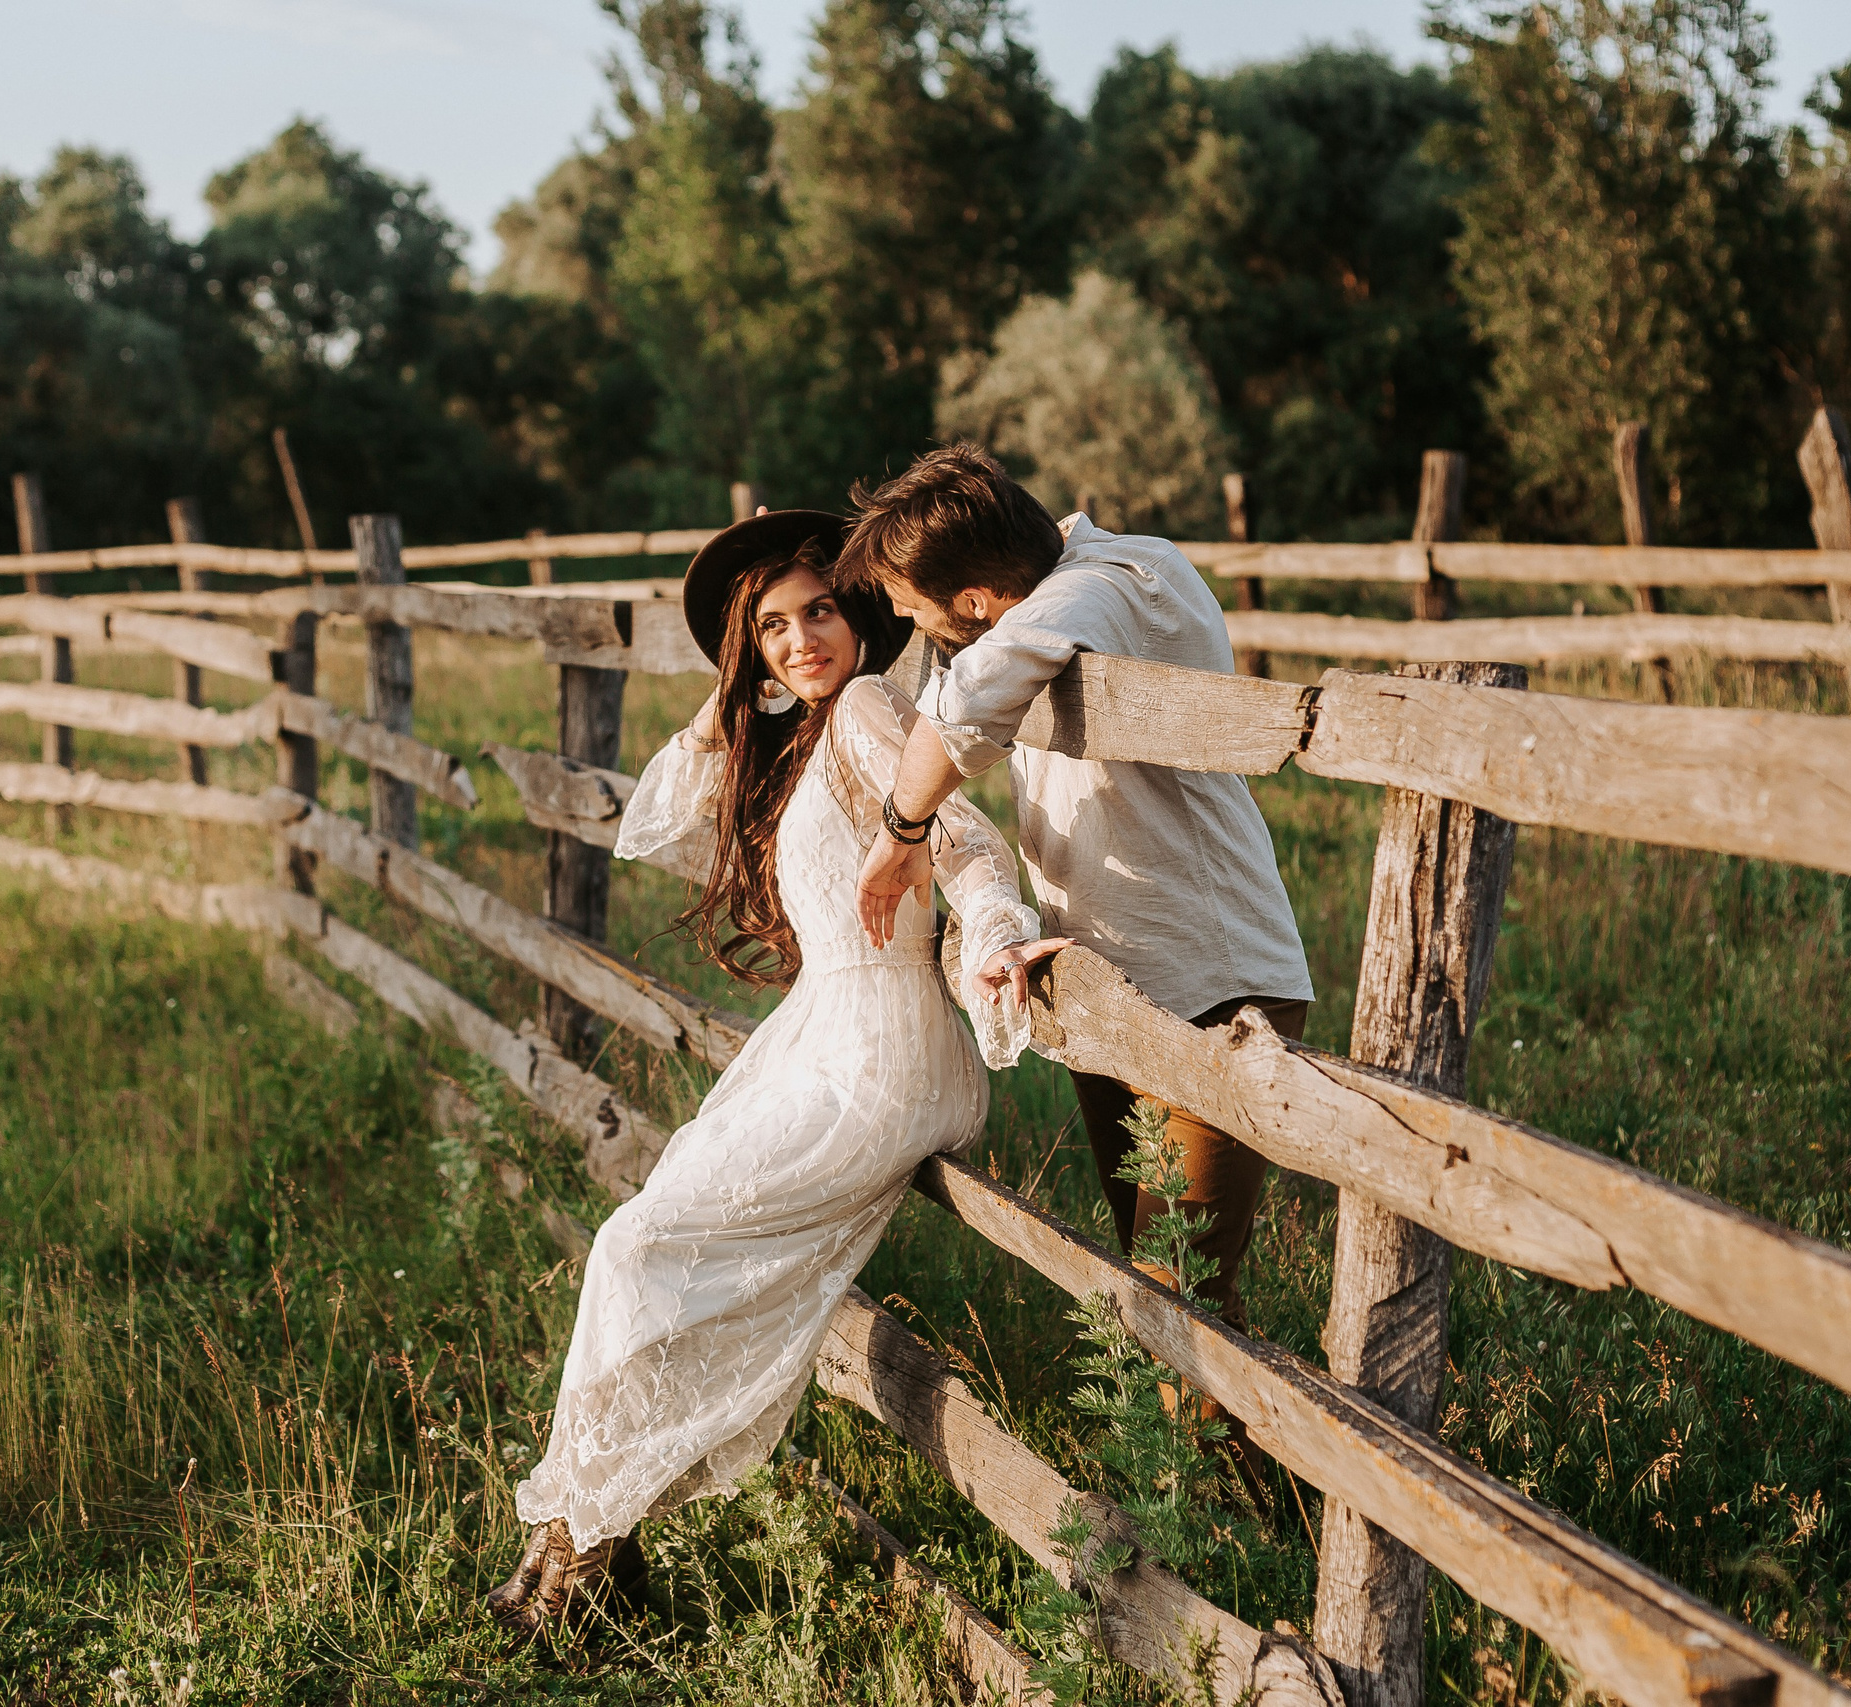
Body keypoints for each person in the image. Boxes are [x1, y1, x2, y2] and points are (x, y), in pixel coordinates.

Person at [485, 509, 1069, 1647]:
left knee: (641, 1251)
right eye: (771, 627)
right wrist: (737, 690)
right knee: (639, 1247)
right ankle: (575, 1558)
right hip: (820, 1038)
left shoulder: (863, 709)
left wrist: (995, 935)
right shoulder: (806, 727)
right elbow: (662, 805)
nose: (802, 638)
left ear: (858, 614)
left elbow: (962, 843)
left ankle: (579, 1556)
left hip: (881, 1054)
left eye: (818, 611)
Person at [836, 444, 1312, 1338]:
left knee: (1187, 1301)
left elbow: (965, 698)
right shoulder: (1048, 588)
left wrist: (900, 835)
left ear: (976, 600)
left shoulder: (1115, 581)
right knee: (1156, 1287)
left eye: (913, 609)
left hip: (1213, 981)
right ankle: (1188, 1481)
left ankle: (1264, 1482)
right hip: (1115, 977)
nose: (910, 627)